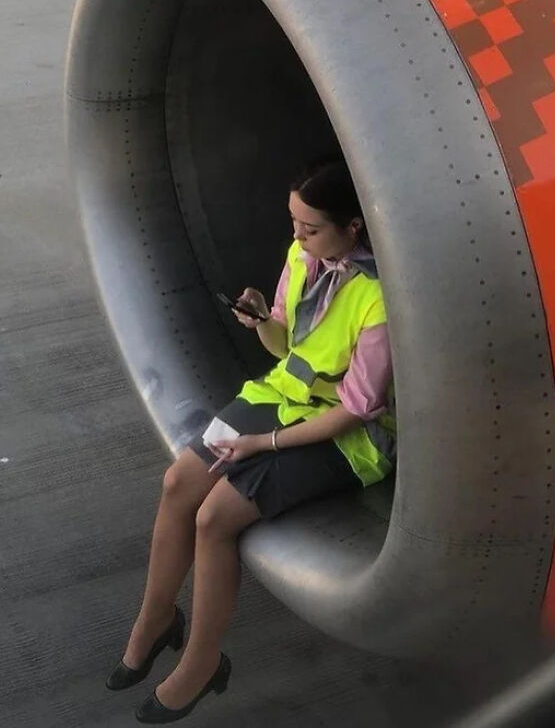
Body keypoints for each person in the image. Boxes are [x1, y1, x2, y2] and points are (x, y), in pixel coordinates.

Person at [106, 156, 396, 724]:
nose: (297, 236)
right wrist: (261, 317)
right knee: (178, 483)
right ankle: (156, 619)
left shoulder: (379, 298)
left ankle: (201, 662)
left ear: (352, 227)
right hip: (281, 397)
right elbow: (284, 347)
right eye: (293, 223)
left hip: (343, 433)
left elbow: (357, 411)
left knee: (216, 518)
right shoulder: (302, 255)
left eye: (310, 228)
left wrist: (263, 445)